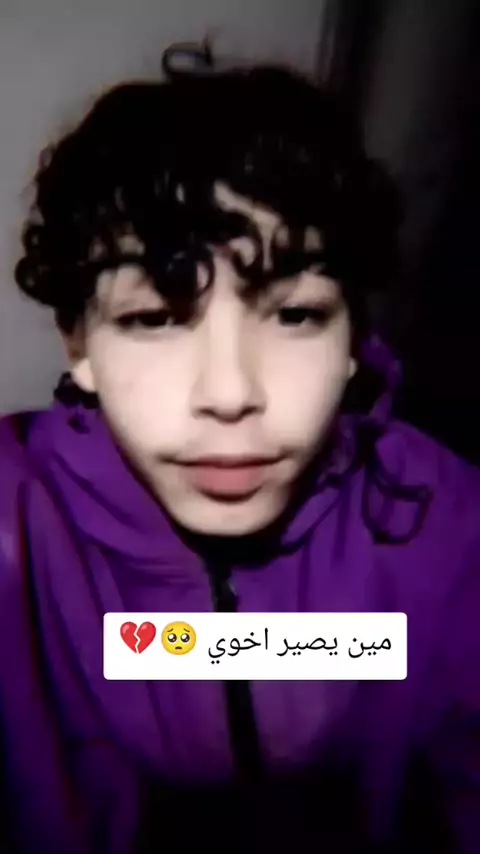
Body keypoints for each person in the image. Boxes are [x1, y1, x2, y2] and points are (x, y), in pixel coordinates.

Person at [1, 44, 479, 854]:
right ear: (79, 343)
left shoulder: (442, 518)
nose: (229, 394)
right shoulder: (15, 536)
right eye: (154, 318)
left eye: (295, 314)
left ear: (352, 338)